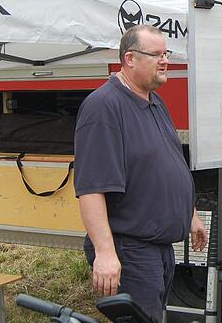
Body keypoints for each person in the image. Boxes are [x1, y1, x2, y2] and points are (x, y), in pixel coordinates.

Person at [74, 24, 208, 322]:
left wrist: (190, 213)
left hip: (158, 248)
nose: (165, 61)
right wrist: (105, 253)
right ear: (130, 59)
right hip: (130, 249)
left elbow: (165, 163)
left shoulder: (153, 101)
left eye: (166, 53)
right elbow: (91, 188)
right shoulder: (103, 108)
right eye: (156, 54)